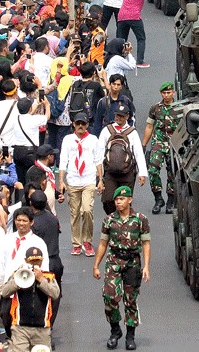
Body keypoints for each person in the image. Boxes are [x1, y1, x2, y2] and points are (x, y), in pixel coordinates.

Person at [93, 185, 150, 351]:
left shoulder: (140, 219)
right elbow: (103, 243)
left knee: (130, 300)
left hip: (132, 262)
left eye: (121, 199)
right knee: (109, 297)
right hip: (114, 261)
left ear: (129, 200)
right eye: (116, 200)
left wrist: (146, 266)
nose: (118, 202)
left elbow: (146, 243)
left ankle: (130, 335)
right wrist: (96, 265)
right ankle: (115, 330)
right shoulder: (109, 220)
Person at [59, 113, 102, 257]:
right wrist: (61, 181)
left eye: (83, 124)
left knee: (87, 210)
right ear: (73, 124)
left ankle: (87, 241)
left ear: (87, 125)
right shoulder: (68, 140)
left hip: (88, 180)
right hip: (73, 180)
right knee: (75, 213)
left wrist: (100, 179)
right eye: (78, 124)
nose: (80, 127)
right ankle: (76, 243)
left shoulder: (93, 140)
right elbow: (63, 160)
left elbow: (98, 160)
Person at [1, 247, 59, 352]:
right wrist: (18, 279)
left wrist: (41, 280)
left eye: (37, 261)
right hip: (20, 328)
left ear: (42, 261)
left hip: (42, 329)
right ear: (26, 260)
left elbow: (55, 294)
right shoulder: (17, 275)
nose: (34, 264)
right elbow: (5, 292)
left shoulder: (48, 277)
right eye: (32, 261)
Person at [97, 103, 147, 215]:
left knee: (125, 202)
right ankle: (113, 219)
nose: (119, 118)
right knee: (108, 200)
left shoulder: (132, 133)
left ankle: (123, 225)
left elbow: (138, 153)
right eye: (117, 116)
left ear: (127, 116)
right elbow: (99, 152)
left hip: (127, 172)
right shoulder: (107, 130)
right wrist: (99, 174)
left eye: (122, 116)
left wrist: (142, 173)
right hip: (110, 172)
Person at [142, 83, 177, 215]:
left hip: (174, 144)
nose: (166, 95)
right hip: (158, 142)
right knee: (153, 169)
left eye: (168, 93)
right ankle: (158, 198)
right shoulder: (155, 108)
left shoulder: (179, 108)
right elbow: (149, 126)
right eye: (164, 93)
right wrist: (144, 145)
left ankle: (171, 200)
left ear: (173, 93)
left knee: (172, 172)